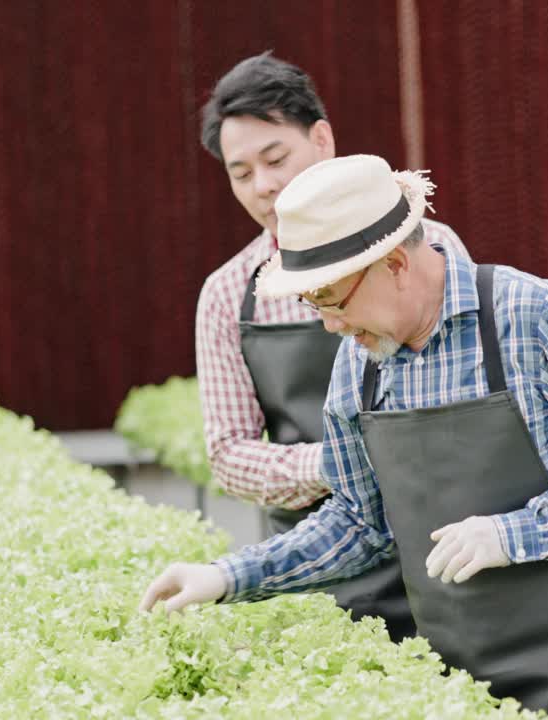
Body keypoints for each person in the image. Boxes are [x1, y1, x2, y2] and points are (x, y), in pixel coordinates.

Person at [141, 154, 548, 719]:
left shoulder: (524, 312)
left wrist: (517, 533)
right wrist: (226, 576)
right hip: (452, 680)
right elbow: (357, 522)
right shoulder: (357, 367)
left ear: (394, 263)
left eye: (330, 300)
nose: (328, 325)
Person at [192, 52, 469, 642]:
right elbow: (228, 454)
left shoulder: (429, 247)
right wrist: (342, 463)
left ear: (322, 139)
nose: (264, 186)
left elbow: (472, 401)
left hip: (445, 548)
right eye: (241, 173)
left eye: (275, 158)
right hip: (315, 567)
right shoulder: (227, 295)